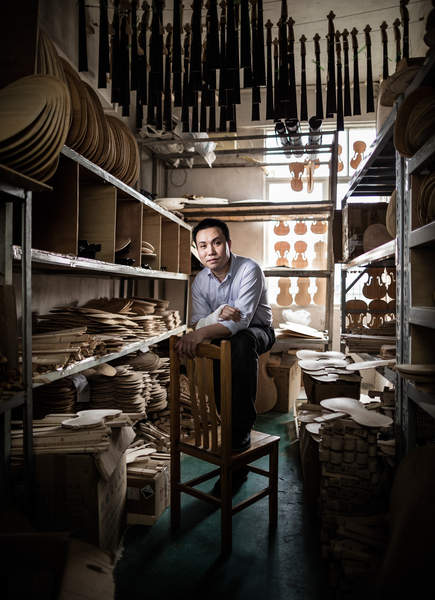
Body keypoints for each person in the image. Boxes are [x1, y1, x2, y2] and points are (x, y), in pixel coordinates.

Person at [175, 218, 275, 492]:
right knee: (216, 349)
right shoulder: (199, 282)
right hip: (221, 334)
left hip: (259, 330)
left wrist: (206, 328)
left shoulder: (249, 269)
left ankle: (240, 431)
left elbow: (241, 323)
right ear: (197, 249)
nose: (211, 251)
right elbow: (198, 323)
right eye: (203, 245)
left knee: (240, 343)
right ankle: (229, 423)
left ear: (228, 244)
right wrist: (218, 315)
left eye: (217, 243)